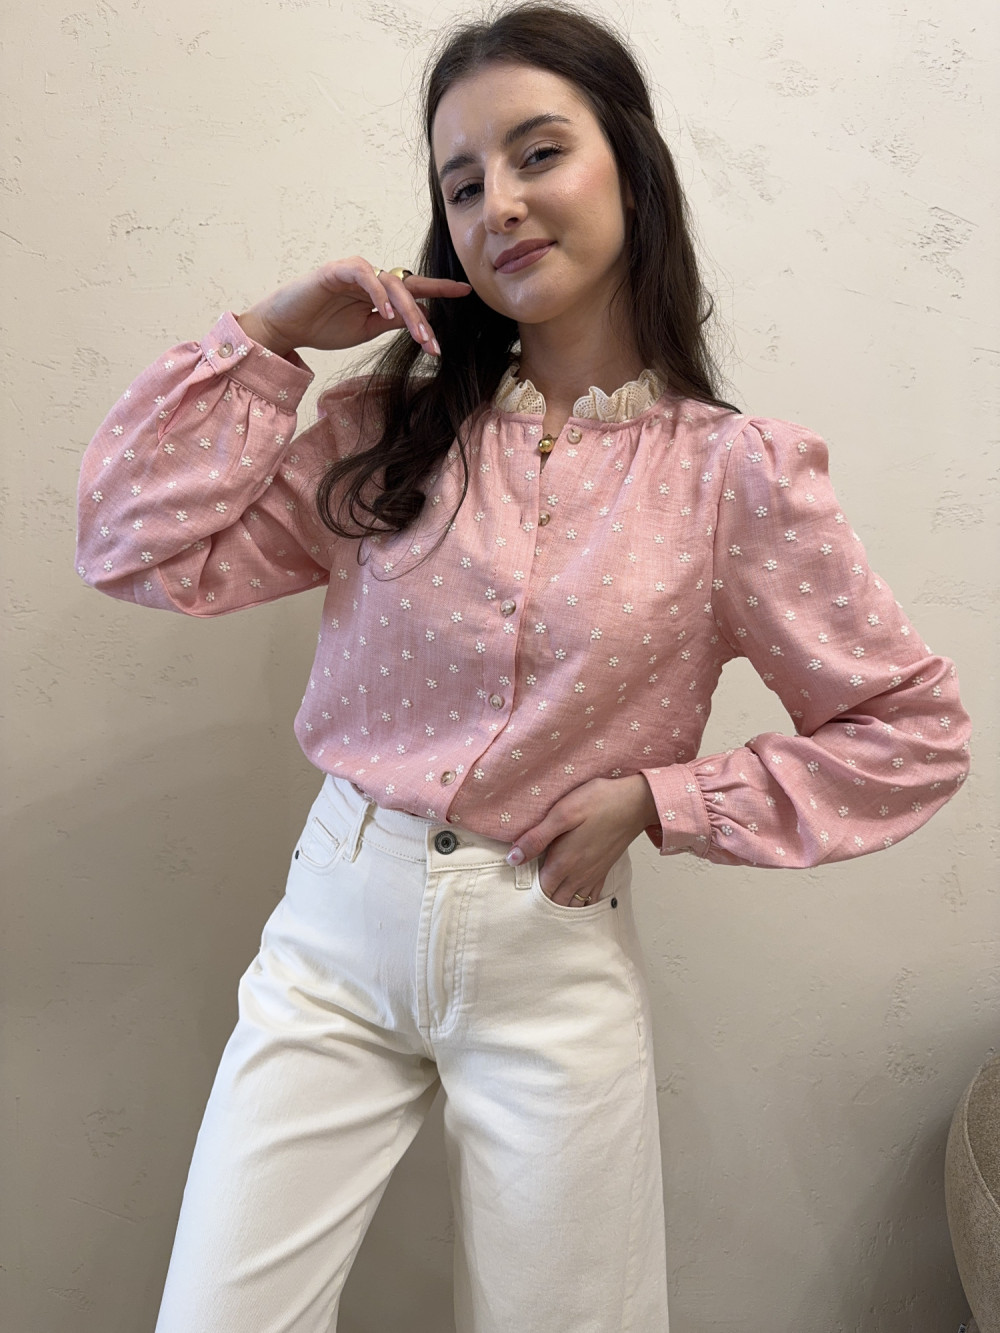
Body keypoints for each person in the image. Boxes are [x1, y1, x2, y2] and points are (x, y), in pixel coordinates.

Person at [74, 4, 971, 1330]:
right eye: (462, 182)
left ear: (632, 168)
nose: (498, 202)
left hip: (548, 954)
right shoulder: (385, 433)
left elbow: (913, 732)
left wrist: (665, 800)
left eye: (538, 153)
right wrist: (270, 336)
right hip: (334, 935)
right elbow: (133, 547)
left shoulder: (733, 478)